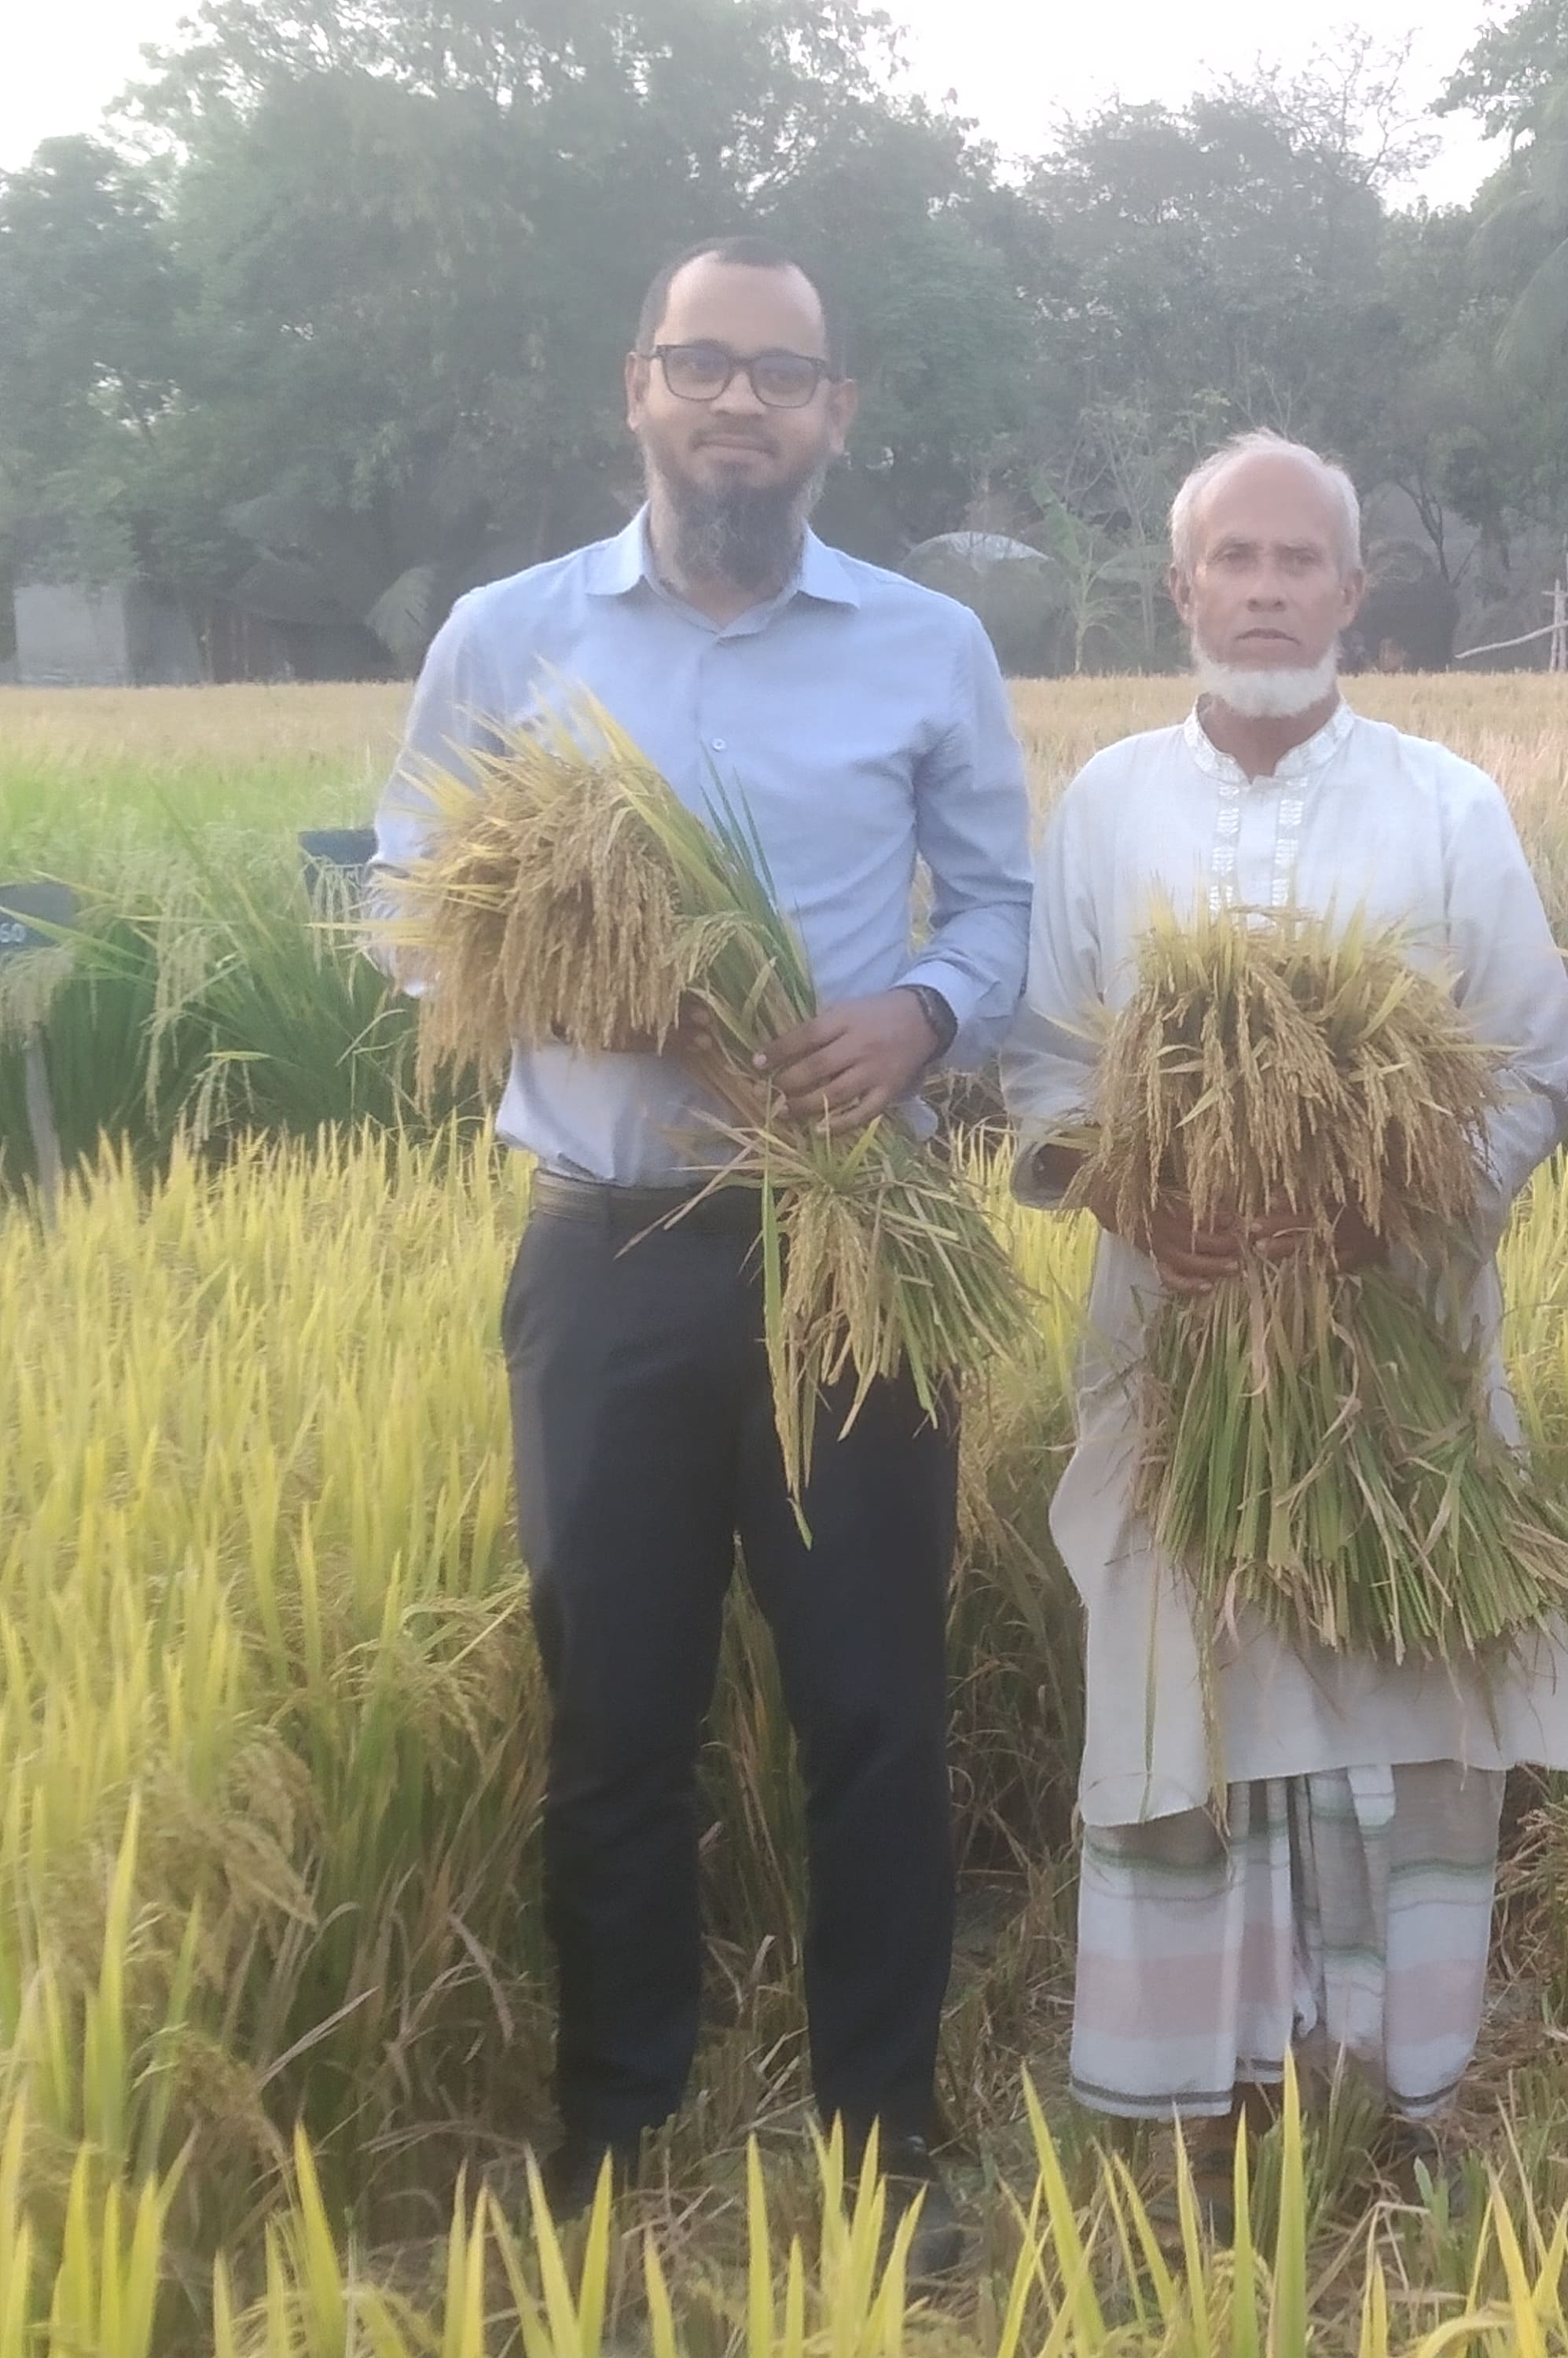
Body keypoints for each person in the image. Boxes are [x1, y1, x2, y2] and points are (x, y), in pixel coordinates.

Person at [369, 234, 1033, 2263]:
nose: (739, 400)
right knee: (618, 1709)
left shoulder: (928, 644)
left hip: (855, 1245)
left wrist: (916, 1017)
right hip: (612, 1248)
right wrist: (593, 986)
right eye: (701, 364)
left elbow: (1007, 913)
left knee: (872, 1706)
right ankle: (616, 2113)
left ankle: (883, 2133)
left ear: (837, 412)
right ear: (636, 390)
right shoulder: (510, 637)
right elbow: (409, 913)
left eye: (780, 371)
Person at [998, 432, 1568, 2174]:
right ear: (1180, 587)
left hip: (1391, 1360)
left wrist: (1382, 1210)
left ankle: (1396, 2101)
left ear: (1351, 591)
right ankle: (1199, 2109)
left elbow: (1530, 1067)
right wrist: (1129, 1189)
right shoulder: (1104, 804)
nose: (1264, 592)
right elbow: (1045, 1061)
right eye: (1232, 560)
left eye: (1299, 562)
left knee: (1396, 1692)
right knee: (1188, 1676)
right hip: (1174, 1354)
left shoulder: (1442, 805)